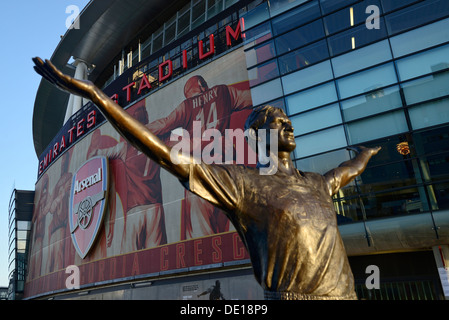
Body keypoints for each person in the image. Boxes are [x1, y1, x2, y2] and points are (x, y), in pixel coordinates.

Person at [33, 57, 380, 300]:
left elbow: (346, 172)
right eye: (278, 121)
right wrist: (96, 96)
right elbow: (160, 150)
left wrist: (365, 155)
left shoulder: (316, 183)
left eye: (288, 120)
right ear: (259, 138)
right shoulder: (245, 184)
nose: (288, 125)